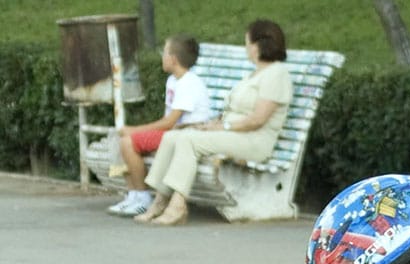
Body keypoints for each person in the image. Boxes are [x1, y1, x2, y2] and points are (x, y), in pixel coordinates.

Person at [135, 19, 293, 227]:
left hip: (254, 140)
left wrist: (224, 127)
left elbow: (257, 120)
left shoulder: (277, 74)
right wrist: (212, 124)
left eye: (247, 42)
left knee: (190, 141)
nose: (246, 47)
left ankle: (178, 205)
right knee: (174, 136)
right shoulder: (254, 74)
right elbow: (234, 111)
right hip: (234, 134)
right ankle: (159, 200)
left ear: (258, 45)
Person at [106, 34, 213, 217]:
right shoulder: (173, 81)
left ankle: (143, 197)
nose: (161, 57)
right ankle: (133, 195)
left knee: (128, 141)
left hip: (185, 133)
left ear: (172, 59)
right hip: (173, 133)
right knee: (122, 139)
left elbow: (169, 123)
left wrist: (135, 130)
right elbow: (167, 121)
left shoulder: (188, 84)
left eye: (163, 53)